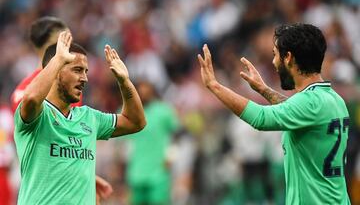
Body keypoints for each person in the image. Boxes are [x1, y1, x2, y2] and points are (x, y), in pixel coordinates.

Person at [198, 23, 350, 204]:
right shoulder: (334, 100)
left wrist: (214, 86)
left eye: (275, 55)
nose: (273, 62)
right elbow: (295, 110)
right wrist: (263, 90)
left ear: (288, 57)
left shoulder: (309, 102)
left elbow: (261, 119)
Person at [14, 31, 146, 204]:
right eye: (77, 70)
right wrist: (58, 59)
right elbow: (31, 98)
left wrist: (124, 82)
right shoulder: (38, 116)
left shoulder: (89, 117)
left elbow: (135, 122)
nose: (84, 78)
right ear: (55, 70)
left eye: (85, 71)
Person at [10, 16, 113, 203]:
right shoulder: (26, 90)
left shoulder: (71, 84)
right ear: (54, 46)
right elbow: (35, 143)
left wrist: (84, 175)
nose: (72, 45)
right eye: (67, 40)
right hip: (39, 180)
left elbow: (74, 140)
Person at [124, 80, 179, 205]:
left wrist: (171, 154)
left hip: (158, 173)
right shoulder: (129, 112)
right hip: (135, 174)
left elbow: (178, 134)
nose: (143, 92)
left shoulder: (163, 111)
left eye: (146, 88)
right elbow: (122, 143)